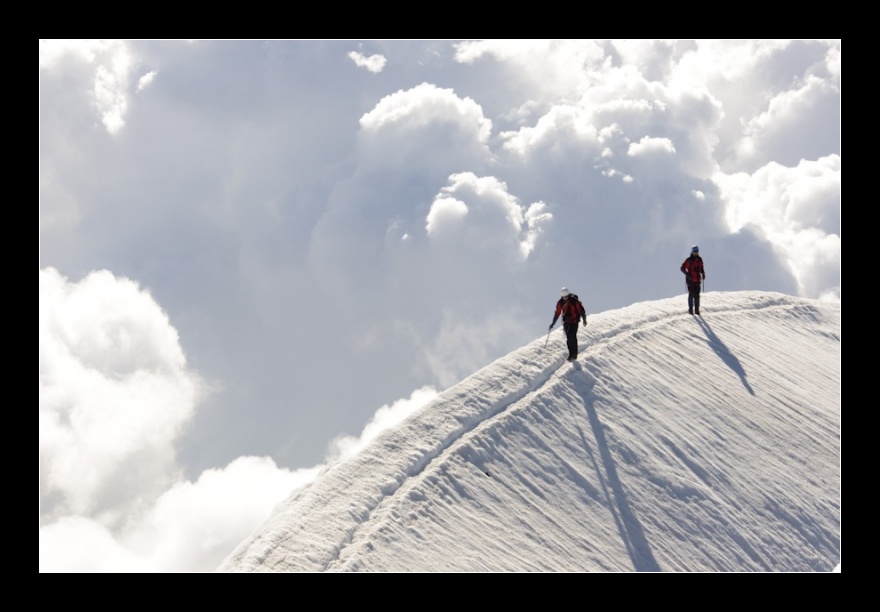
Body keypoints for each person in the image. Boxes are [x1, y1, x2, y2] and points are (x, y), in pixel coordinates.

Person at [549, 287, 587, 361]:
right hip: (566, 322)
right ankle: (571, 353)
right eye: (564, 297)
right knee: (568, 338)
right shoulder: (560, 303)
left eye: (566, 297)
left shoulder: (574, 301)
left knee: (572, 335)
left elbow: (581, 310)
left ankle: (574, 353)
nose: (565, 298)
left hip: (574, 321)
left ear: (568, 295)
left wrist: (584, 319)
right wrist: (553, 323)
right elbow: (557, 313)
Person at [680, 245, 706, 315]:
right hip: (690, 280)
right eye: (694, 251)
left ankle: (697, 310)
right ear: (692, 251)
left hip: (697, 280)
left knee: (697, 295)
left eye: (697, 251)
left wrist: (703, 274)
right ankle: (690, 310)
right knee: (691, 295)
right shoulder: (688, 260)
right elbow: (682, 268)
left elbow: (701, 268)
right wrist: (687, 274)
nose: (696, 252)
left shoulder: (700, 260)